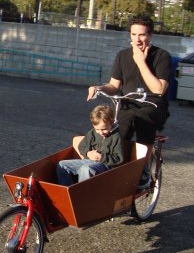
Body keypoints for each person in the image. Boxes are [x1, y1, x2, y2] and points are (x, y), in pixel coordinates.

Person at [87, 16, 172, 186]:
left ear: (150, 35)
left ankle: (144, 171)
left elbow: (158, 89)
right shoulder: (123, 55)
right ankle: (111, 167)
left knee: (142, 120)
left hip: (153, 105)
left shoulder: (162, 56)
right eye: (134, 34)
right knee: (116, 128)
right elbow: (114, 85)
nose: (137, 39)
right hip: (128, 104)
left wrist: (141, 61)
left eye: (142, 35)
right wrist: (99, 88)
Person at [56, 105, 124, 186]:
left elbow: (119, 159)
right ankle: (68, 191)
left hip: (106, 165)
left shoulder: (116, 137)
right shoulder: (93, 133)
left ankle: (82, 193)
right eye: (97, 129)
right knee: (62, 165)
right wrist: (88, 153)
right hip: (89, 161)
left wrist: (102, 157)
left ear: (111, 122)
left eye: (104, 129)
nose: (101, 132)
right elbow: (82, 146)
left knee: (86, 169)